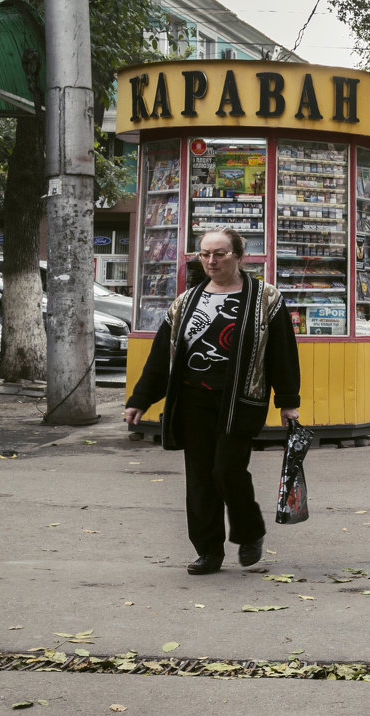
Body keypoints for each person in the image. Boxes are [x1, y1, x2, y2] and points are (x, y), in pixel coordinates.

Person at [125, 228, 301, 576]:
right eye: (205, 254)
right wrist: (141, 399)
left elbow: (282, 353)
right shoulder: (187, 301)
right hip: (193, 401)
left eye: (219, 253)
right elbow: (163, 355)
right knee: (200, 477)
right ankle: (208, 551)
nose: (211, 260)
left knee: (227, 470)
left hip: (241, 400)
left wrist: (288, 401)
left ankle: (249, 532)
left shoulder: (265, 298)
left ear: (239, 256)